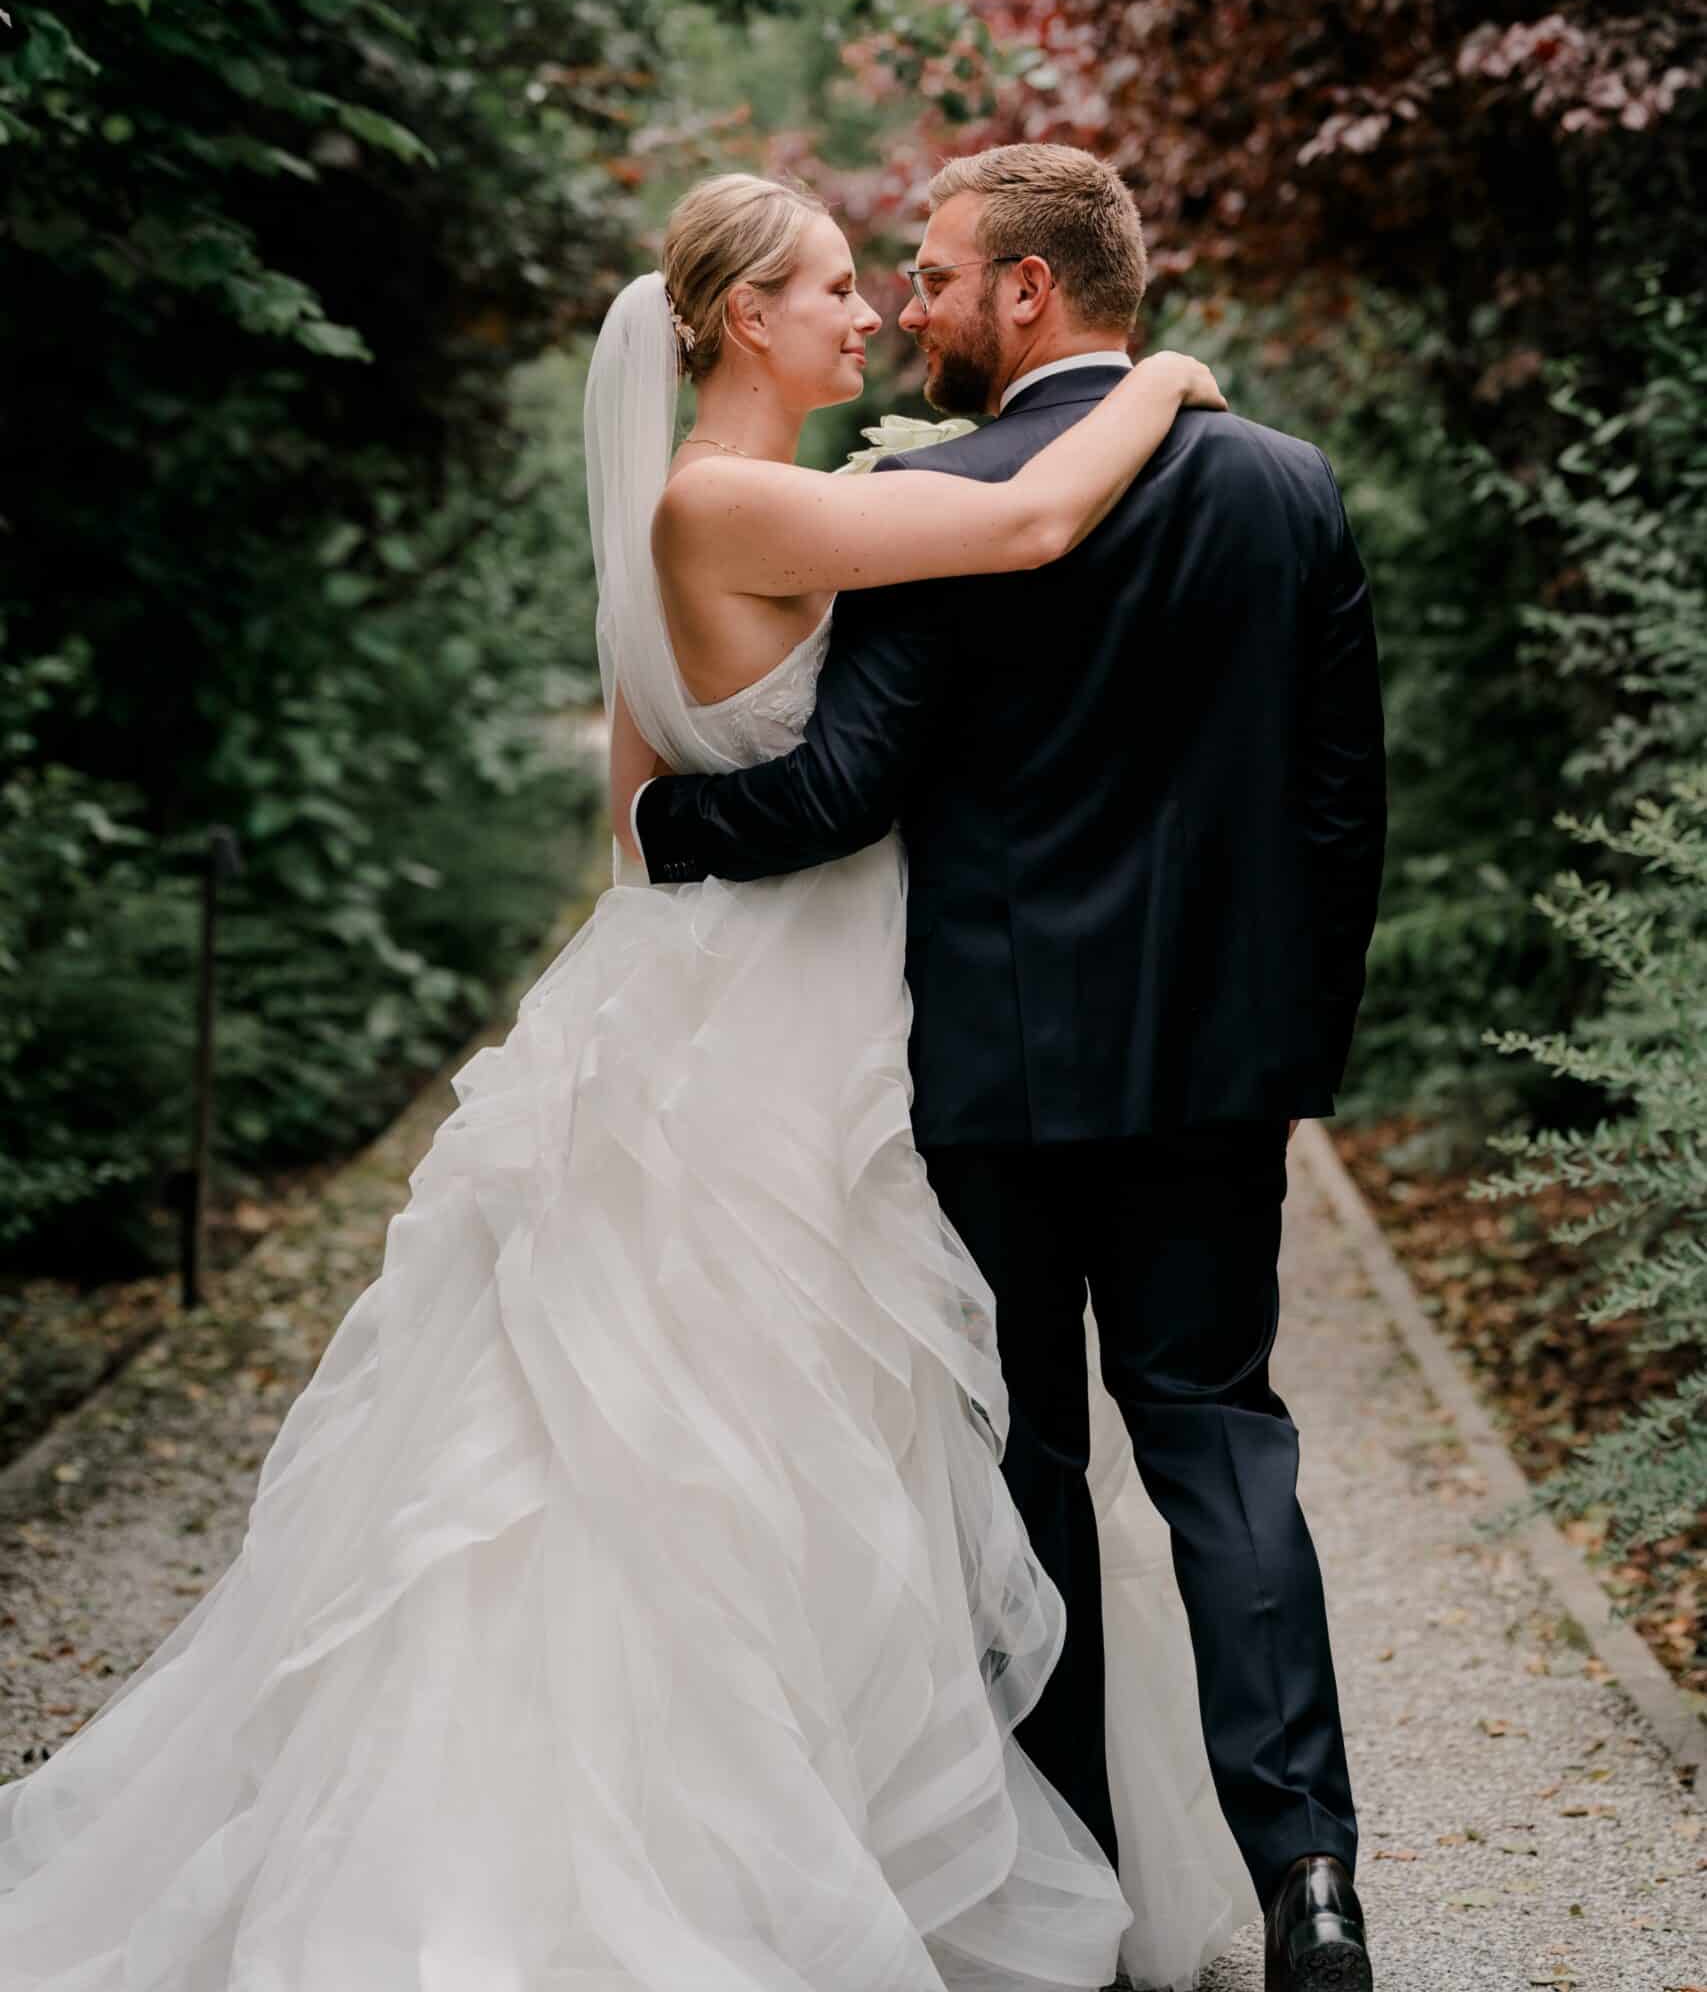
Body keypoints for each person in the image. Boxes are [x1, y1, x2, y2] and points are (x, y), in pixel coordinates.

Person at [0, 170, 1244, 1992]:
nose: (871, 315)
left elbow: (638, 818)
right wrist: (1168, 378)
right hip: (772, 1012)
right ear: (747, 318)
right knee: (727, 1427)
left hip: (737, 982)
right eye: (835, 287)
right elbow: (1037, 518)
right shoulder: (737, 498)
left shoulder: (730, 502)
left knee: (785, 1421)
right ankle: (684, 1864)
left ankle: (812, 1828)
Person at [632, 146, 1388, 1992]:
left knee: (1025, 1465)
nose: (914, 306)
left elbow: (848, 790)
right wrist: (1287, 1048)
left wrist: (659, 831)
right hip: (1212, 1074)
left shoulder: (929, 500)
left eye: (943, 274)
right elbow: (1337, 806)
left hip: (991, 1071)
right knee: (1221, 1434)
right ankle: (1310, 1879)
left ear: (1031, 292)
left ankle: (1083, 1897)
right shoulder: (1287, 488)